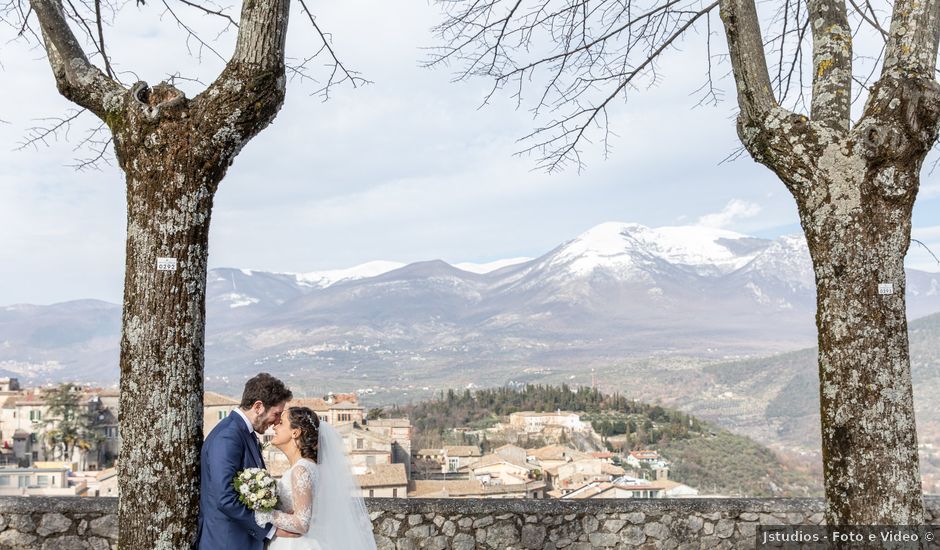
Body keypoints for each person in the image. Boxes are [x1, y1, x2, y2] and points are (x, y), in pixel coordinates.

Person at [196, 373, 298, 549]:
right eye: (276, 414)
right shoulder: (228, 436)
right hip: (226, 542)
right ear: (258, 407)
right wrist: (270, 529)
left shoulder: (245, 433)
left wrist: (278, 514)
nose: (276, 422)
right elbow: (226, 498)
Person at [254, 406, 378, 550]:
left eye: (281, 423)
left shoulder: (301, 470)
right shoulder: (310, 467)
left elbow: (302, 523)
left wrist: (264, 513)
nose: (275, 426)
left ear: (295, 432)